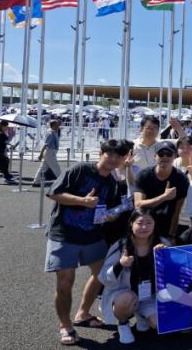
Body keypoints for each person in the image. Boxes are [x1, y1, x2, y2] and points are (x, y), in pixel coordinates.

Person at [44, 139, 129, 346]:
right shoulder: (80, 170)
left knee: (102, 274)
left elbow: (107, 211)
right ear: (101, 153)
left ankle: (82, 313)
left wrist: (112, 216)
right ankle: (65, 326)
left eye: (119, 156)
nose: (114, 159)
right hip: (64, 234)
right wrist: (82, 201)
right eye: (110, 154)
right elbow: (53, 192)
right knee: (66, 281)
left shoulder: (112, 183)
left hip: (92, 235)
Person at [98, 208, 168, 344]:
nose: (144, 227)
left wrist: (165, 257)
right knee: (125, 300)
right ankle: (123, 324)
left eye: (149, 223)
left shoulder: (162, 244)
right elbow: (104, 278)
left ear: (155, 224)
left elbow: (175, 272)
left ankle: (141, 314)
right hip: (126, 294)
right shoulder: (121, 245)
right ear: (131, 224)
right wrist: (120, 264)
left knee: (159, 325)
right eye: (140, 223)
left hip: (150, 296)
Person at [133, 141, 190, 241]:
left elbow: (177, 212)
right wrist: (163, 197)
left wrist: (171, 235)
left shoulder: (181, 179)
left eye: (169, 154)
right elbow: (138, 205)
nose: (165, 157)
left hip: (166, 228)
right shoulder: (144, 175)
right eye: (161, 154)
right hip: (144, 226)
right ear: (155, 156)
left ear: (175, 156)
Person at [34, 119, 61, 187]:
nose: (58, 126)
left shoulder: (53, 132)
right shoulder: (50, 133)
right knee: (56, 168)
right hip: (50, 152)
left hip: (50, 152)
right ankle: (62, 181)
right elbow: (45, 144)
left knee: (43, 168)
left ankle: (36, 181)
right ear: (53, 125)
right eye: (56, 125)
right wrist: (41, 154)